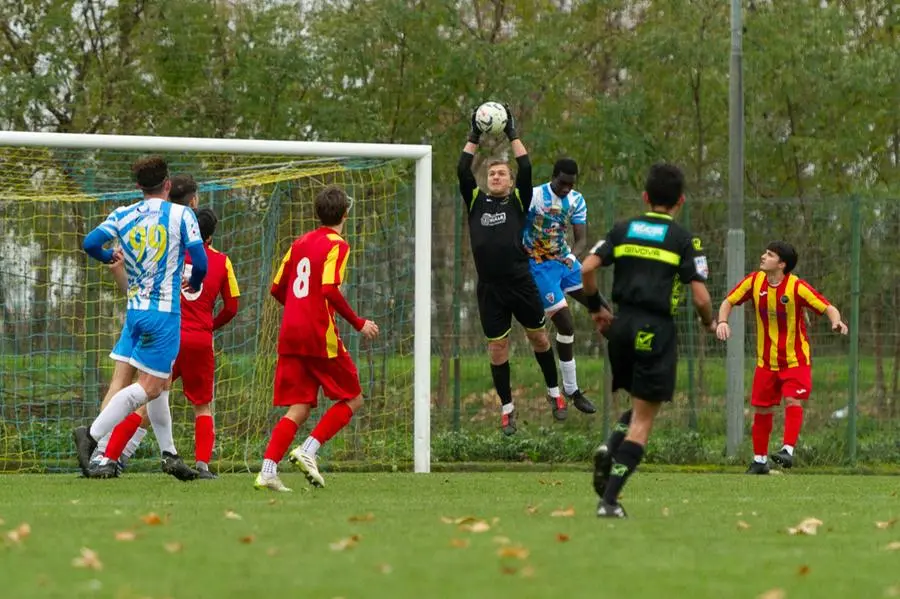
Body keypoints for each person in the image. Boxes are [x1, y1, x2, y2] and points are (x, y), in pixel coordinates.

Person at [582, 163, 715, 518]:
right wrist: (708, 322)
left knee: (639, 405)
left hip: (621, 326)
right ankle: (609, 500)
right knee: (644, 420)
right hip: (656, 329)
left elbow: (586, 268)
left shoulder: (623, 229)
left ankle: (610, 447)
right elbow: (701, 298)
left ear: (645, 197)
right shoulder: (683, 239)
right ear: (681, 201)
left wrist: (597, 308)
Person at [75, 156, 206, 482]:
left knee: (160, 384)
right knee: (146, 387)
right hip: (163, 314)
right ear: (167, 185)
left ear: (139, 187)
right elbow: (199, 262)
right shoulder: (181, 213)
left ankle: (170, 455)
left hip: (134, 311)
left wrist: (109, 256)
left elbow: (90, 243)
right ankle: (91, 435)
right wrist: (197, 281)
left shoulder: (123, 214)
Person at [95, 190, 240, 479]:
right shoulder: (222, 261)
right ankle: (202, 466)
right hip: (199, 340)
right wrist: (211, 325)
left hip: (168, 335)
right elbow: (233, 307)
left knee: (145, 396)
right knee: (202, 405)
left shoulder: (170, 255)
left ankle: (108, 456)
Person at [255, 185, 379, 492]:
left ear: (317, 213)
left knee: (300, 405)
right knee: (353, 397)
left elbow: (276, 288)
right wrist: (359, 322)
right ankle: (308, 450)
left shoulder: (299, 242)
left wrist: (298, 308)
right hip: (317, 332)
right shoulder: (337, 244)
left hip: (290, 332)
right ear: (345, 214)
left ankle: (268, 470)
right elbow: (328, 289)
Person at [458, 104, 562, 434]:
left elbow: (527, 165)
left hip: (520, 282)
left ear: (511, 181)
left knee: (539, 339)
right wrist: (474, 135)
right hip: (490, 289)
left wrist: (512, 133)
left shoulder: (518, 200)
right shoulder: (476, 201)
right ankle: (507, 409)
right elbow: (463, 169)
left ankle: (555, 393)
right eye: (491, 174)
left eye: (502, 173)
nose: (496, 177)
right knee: (497, 348)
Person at [716, 241, 848, 473]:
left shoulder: (796, 287)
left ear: (782, 264)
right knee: (762, 409)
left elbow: (828, 307)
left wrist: (835, 321)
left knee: (792, 400)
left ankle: (787, 450)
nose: (763, 256)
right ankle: (759, 461)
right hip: (766, 362)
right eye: (765, 252)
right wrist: (723, 321)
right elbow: (728, 301)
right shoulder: (755, 281)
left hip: (795, 360)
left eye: (769, 254)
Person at [523, 158, 596, 415]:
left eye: (570, 184)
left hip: (564, 261)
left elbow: (581, 238)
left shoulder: (576, 200)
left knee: (601, 307)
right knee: (565, 322)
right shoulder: (533, 197)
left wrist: (573, 257)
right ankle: (572, 390)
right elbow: (517, 228)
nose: (566, 188)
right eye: (562, 183)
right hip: (539, 266)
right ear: (553, 177)